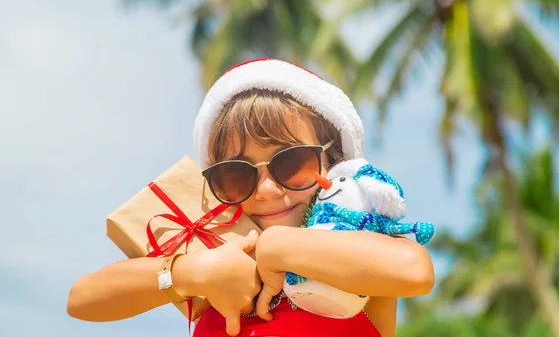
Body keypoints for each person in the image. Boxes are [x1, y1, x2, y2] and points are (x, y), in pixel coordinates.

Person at [67, 58, 435, 337]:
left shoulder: (352, 247)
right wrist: (193, 271)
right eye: (237, 174)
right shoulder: (214, 264)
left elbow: (415, 271)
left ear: (334, 163)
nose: (267, 190)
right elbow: (81, 300)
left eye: (291, 163)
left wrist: (275, 247)